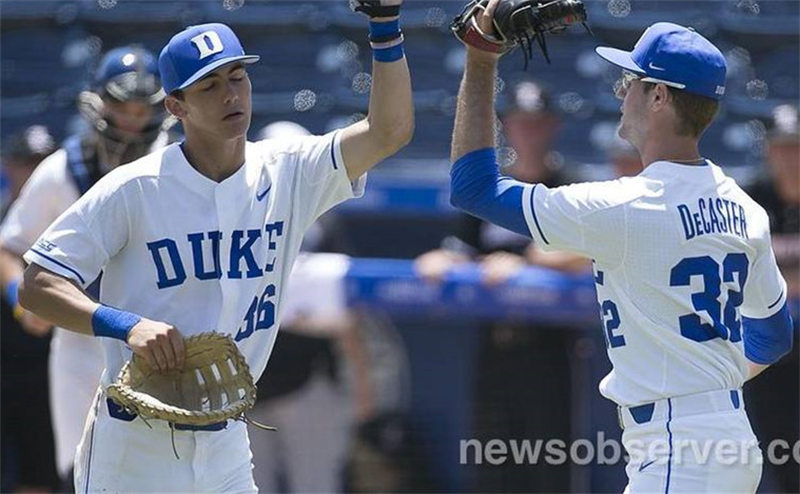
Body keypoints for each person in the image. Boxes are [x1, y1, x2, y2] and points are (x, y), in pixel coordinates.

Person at [18, 8, 412, 493]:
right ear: (176, 106)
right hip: (135, 439)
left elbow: (388, 132)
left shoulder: (290, 170)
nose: (230, 94)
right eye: (209, 86)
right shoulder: (135, 188)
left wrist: (386, 28)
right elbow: (36, 285)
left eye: (237, 76)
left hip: (226, 435)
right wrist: (125, 324)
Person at [448, 2, 793, 491]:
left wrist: (481, 58)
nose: (622, 91)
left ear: (658, 97)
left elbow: (472, 188)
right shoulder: (744, 207)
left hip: (679, 445)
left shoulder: (626, 205)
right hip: (728, 435)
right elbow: (775, 336)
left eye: (631, 80)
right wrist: (715, 382)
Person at [0, 46, 171, 491]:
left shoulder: (179, 165)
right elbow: (10, 246)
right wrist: (23, 301)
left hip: (164, 340)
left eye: (143, 108)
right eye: (123, 106)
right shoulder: (62, 171)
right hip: (82, 340)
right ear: (99, 103)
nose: (133, 119)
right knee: (81, 472)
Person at [415, 79, 586, 491]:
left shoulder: (572, 186)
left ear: (553, 127)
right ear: (507, 127)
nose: (529, 133)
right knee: (492, 469)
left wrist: (527, 260)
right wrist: (446, 258)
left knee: (550, 470)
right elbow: (460, 248)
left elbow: (593, 253)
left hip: (551, 352)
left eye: (537, 123)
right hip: (494, 348)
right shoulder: (490, 190)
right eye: (520, 123)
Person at [742, 103, 799, 493]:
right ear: (767, 151)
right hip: (766, 357)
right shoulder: (751, 198)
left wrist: (774, 270)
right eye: (781, 147)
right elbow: (739, 263)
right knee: (772, 460)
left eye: (796, 147)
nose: (789, 157)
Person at [0, 126, 60, 493]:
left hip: (47, 370)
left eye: (43, 163)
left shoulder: (70, 220)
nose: (35, 172)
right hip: (5, 365)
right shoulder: (7, 219)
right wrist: (22, 306)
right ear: (9, 166)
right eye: (28, 163)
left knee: (39, 474)